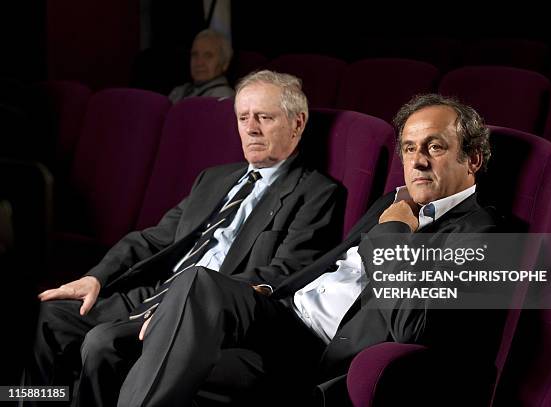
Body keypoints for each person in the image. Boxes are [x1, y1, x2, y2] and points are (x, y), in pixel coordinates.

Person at [114, 93, 505, 407]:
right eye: (408, 148)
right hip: (285, 319)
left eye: (434, 147)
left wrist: (394, 231)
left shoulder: (483, 232)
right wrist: (265, 293)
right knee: (118, 343)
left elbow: (414, 325)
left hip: (321, 354)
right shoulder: (393, 200)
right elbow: (331, 265)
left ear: (472, 159)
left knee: (173, 333)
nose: (416, 161)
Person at [25, 70, 345, 407]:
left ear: (297, 123)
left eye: (264, 117)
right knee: (50, 317)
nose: (251, 128)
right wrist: (96, 277)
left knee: (104, 343)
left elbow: (288, 271)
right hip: (153, 292)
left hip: (202, 312)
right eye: (243, 117)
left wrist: (180, 312)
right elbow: (153, 239)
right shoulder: (214, 178)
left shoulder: (317, 192)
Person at [168, 29, 235, 103]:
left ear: (225, 63)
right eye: (195, 54)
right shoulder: (179, 91)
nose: (199, 62)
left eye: (208, 56)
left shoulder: (223, 98)